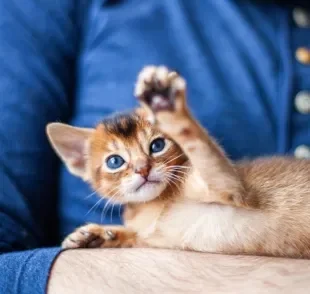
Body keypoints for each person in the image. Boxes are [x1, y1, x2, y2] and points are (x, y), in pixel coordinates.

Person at [0, 0, 309, 293]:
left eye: (157, 145)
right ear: (80, 162)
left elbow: (227, 190)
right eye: (115, 162)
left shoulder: (186, 179)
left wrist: (179, 124)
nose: (142, 167)